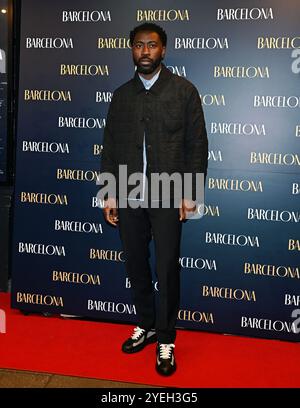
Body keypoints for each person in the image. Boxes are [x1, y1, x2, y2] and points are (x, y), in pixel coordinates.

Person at [100, 23, 208, 376]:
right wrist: (110, 193)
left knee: (166, 268)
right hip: (128, 192)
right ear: (131, 50)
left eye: (152, 45)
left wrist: (190, 193)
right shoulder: (121, 96)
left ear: (163, 50)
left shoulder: (184, 92)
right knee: (135, 264)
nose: (145, 51)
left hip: (168, 192)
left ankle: (166, 338)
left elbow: (197, 145)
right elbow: (110, 148)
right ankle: (146, 324)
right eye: (139, 45)